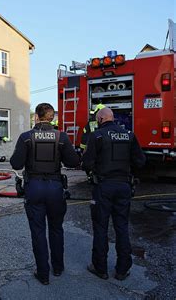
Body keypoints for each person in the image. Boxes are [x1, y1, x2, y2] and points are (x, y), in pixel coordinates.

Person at [10, 103, 80, 285]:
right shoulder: (61, 137)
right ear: (52, 117)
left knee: (38, 231)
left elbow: (16, 164)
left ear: (36, 117)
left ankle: (43, 274)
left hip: (34, 188)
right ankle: (58, 268)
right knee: (56, 228)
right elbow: (73, 161)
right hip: (55, 188)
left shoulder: (26, 137)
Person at [82, 107, 146, 281]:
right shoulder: (129, 135)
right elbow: (140, 161)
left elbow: (86, 163)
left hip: (103, 186)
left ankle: (100, 268)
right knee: (122, 227)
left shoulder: (97, 136)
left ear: (101, 119)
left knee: (101, 228)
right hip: (124, 186)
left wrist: (94, 168)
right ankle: (122, 270)